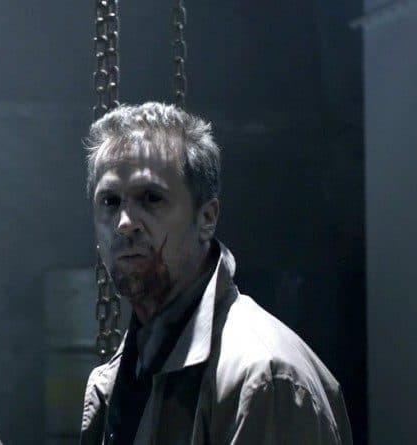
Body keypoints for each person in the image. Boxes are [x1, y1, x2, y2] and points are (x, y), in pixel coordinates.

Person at [78, 102, 353, 445]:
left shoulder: (264, 379)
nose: (124, 223)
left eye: (151, 198)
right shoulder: (126, 373)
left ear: (206, 218)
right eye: (110, 201)